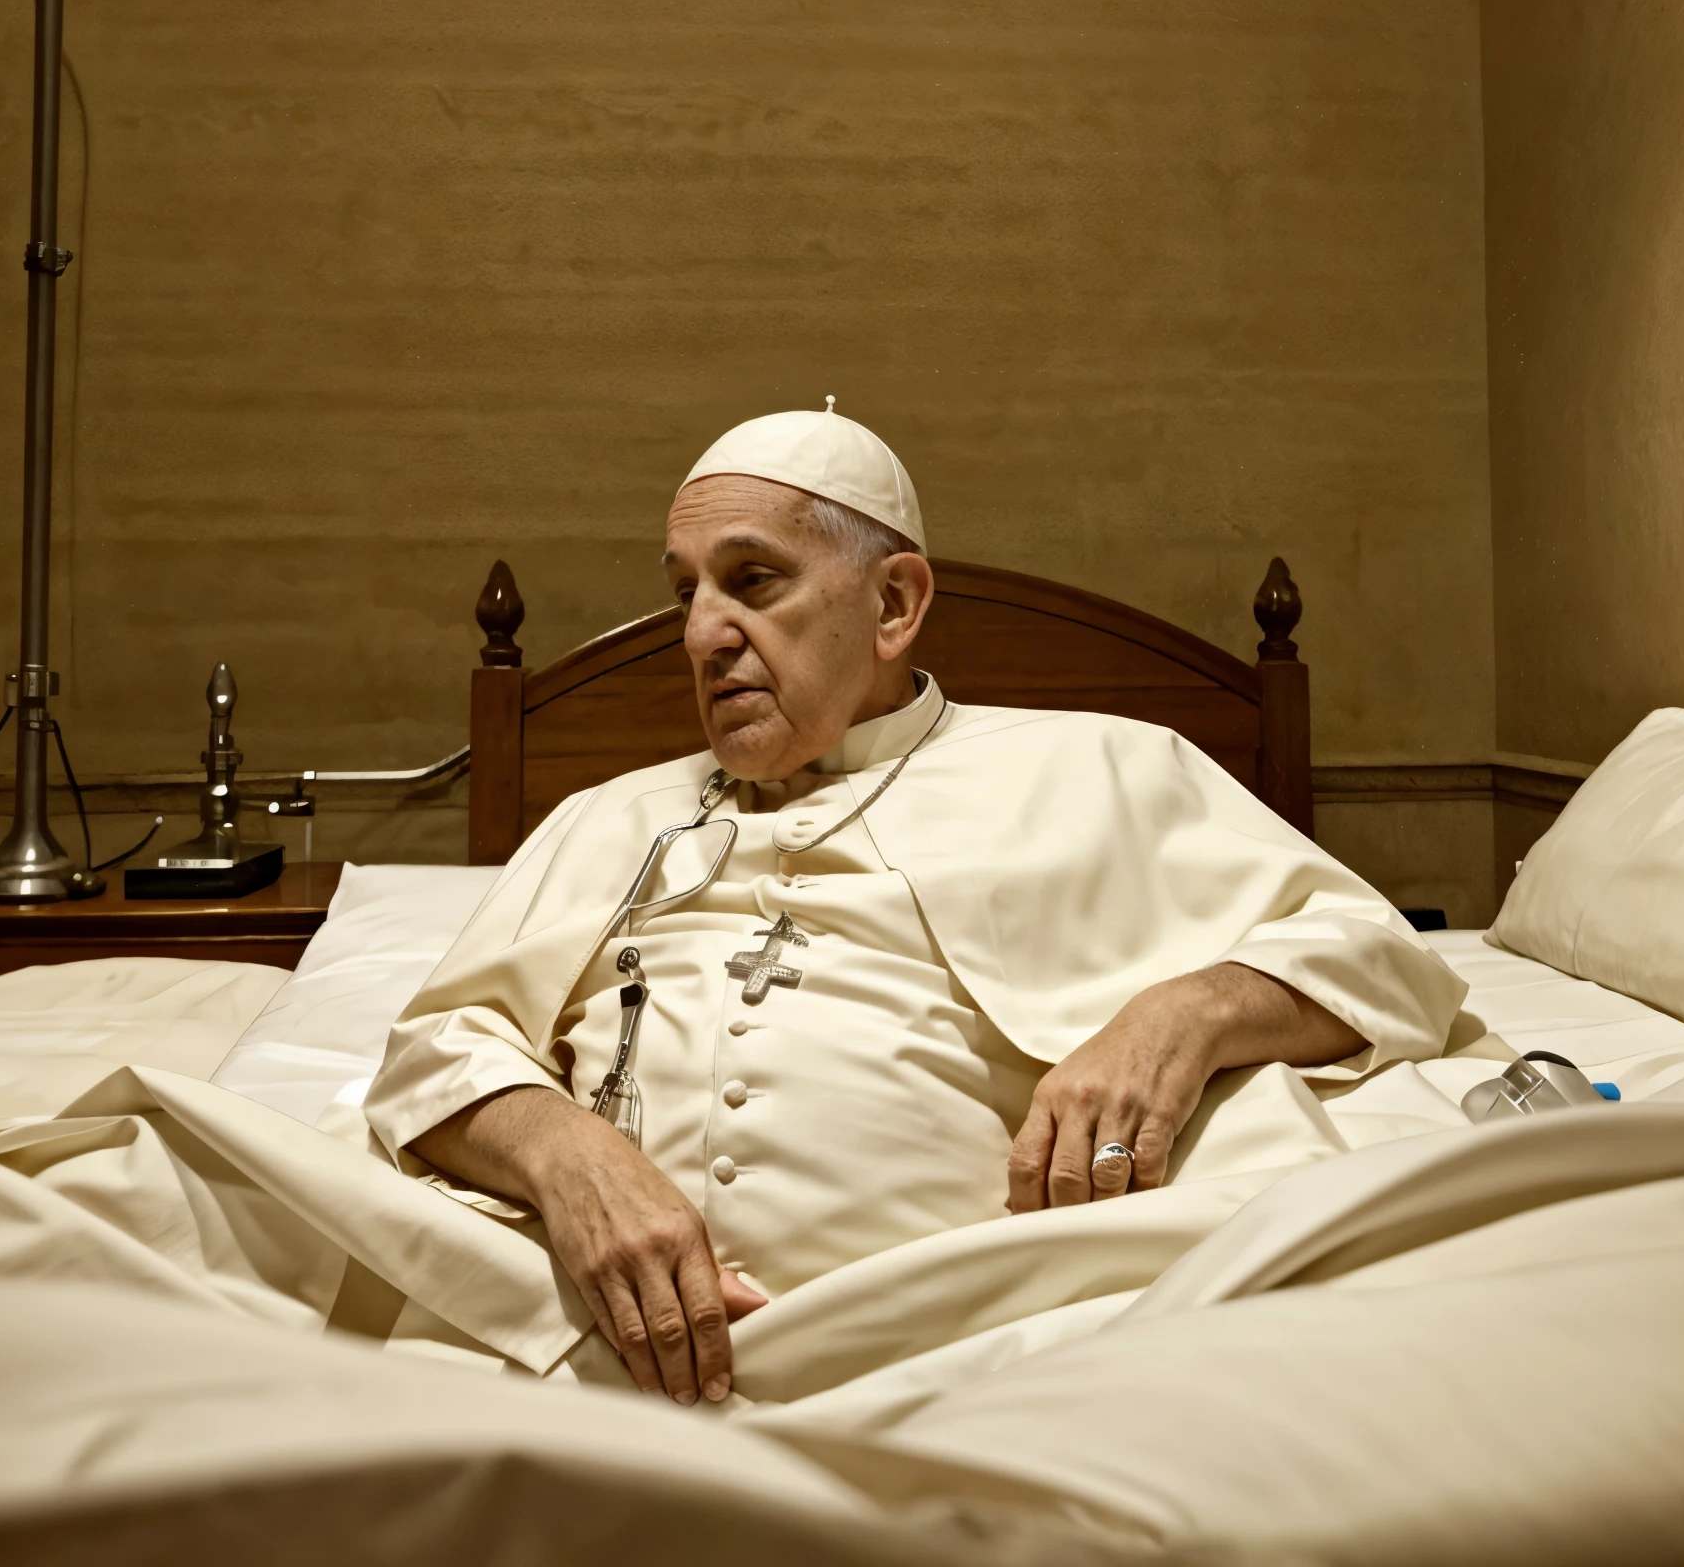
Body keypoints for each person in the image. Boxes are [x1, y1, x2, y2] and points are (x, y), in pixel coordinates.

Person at [365, 403, 1463, 1410]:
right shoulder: (605, 815)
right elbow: (436, 1049)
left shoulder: (1103, 764)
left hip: (999, 1349)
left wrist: (1183, 1014)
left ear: (892, 603)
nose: (700, 634)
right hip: (587, 1352)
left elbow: (1377, 951)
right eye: (683, 592)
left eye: (751, 581)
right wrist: (566, 1155)